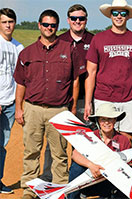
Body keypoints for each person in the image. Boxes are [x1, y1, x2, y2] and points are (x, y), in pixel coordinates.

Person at [13, 9, 85, 199]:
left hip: (59, 110)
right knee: (31, 152)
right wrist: (19, 108)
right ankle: (29, 191)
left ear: (57, 27)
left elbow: (75, 81)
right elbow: (20, 83)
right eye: (46, 24)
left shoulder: (68, 50)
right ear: (39, 25)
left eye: (53, 25)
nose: (49, 28)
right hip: (33, 108)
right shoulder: (27, 52)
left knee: (59, 154)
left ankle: (59, 190)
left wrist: (72, 107)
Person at [41, 4, 94, 182]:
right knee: (55, 142)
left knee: (84, 142)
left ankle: (82, 180)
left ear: (86, 20)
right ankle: (49, 177)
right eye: (74, 18)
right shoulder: (59, 40)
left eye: (81, 18)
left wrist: (88, 102)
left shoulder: (94, 40)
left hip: (85, 100)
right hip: (62, 101)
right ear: (68, 20)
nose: (78, 22)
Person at [84, 0, 132, 144]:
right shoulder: (98, 39)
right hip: (104, 97)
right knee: (104, 142)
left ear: (128, 16)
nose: (119, 16)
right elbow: (91, 72)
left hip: (130, 99)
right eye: (115, 13)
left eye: (123, 13)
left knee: (127, 143)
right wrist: (88, 102)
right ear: (110, 16)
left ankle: (128, 167)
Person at [68, 103, 130, 199]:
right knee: (76, 167)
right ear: (98, 121)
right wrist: (91, 166)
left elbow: (130, 166)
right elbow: (75, 154)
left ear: (115, 120)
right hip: (90, 178)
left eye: (110, 119)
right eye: (103, 119)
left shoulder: (123, 140)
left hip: (110, 181)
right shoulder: (90, 136)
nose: (106, 123)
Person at [0, 8, 24, 194]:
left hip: (10, 103)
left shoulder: (19, 47)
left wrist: (18, 104)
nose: (8, 25)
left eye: (11, 21)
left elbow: (21, 78)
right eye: (4, 22)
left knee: (2, 144)